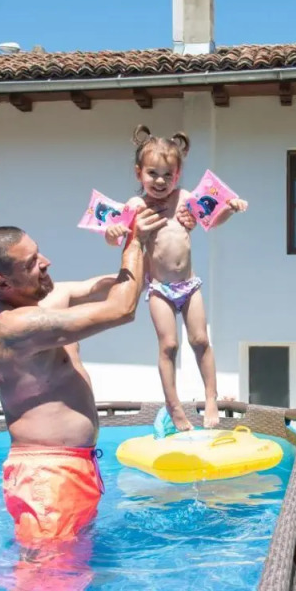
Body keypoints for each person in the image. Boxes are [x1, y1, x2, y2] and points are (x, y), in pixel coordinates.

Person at [0, 211, 163, 591]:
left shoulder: (45, 302)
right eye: (31, 263)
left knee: (60, 573)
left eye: (38, 253)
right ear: (2, 283)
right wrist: (135, 242)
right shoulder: (12, 327)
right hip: (48, 476)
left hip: (71, 468)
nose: (45, 263)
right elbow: (121, 310)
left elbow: (101, 288)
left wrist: (133, 253)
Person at [104, 125, 247, 432]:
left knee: (201, 340)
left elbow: (211, 219)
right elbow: (115, 236)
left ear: (177, 174)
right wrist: (113, 232)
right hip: (160, 289)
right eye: (152, 173)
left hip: (189, 285)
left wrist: (229, 209)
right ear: (139, 173)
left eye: (167, 175)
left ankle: (211, 399)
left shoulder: (184, 198)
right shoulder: (136, 206)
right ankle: (174, 406)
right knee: (168, 345)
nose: (160, 181)